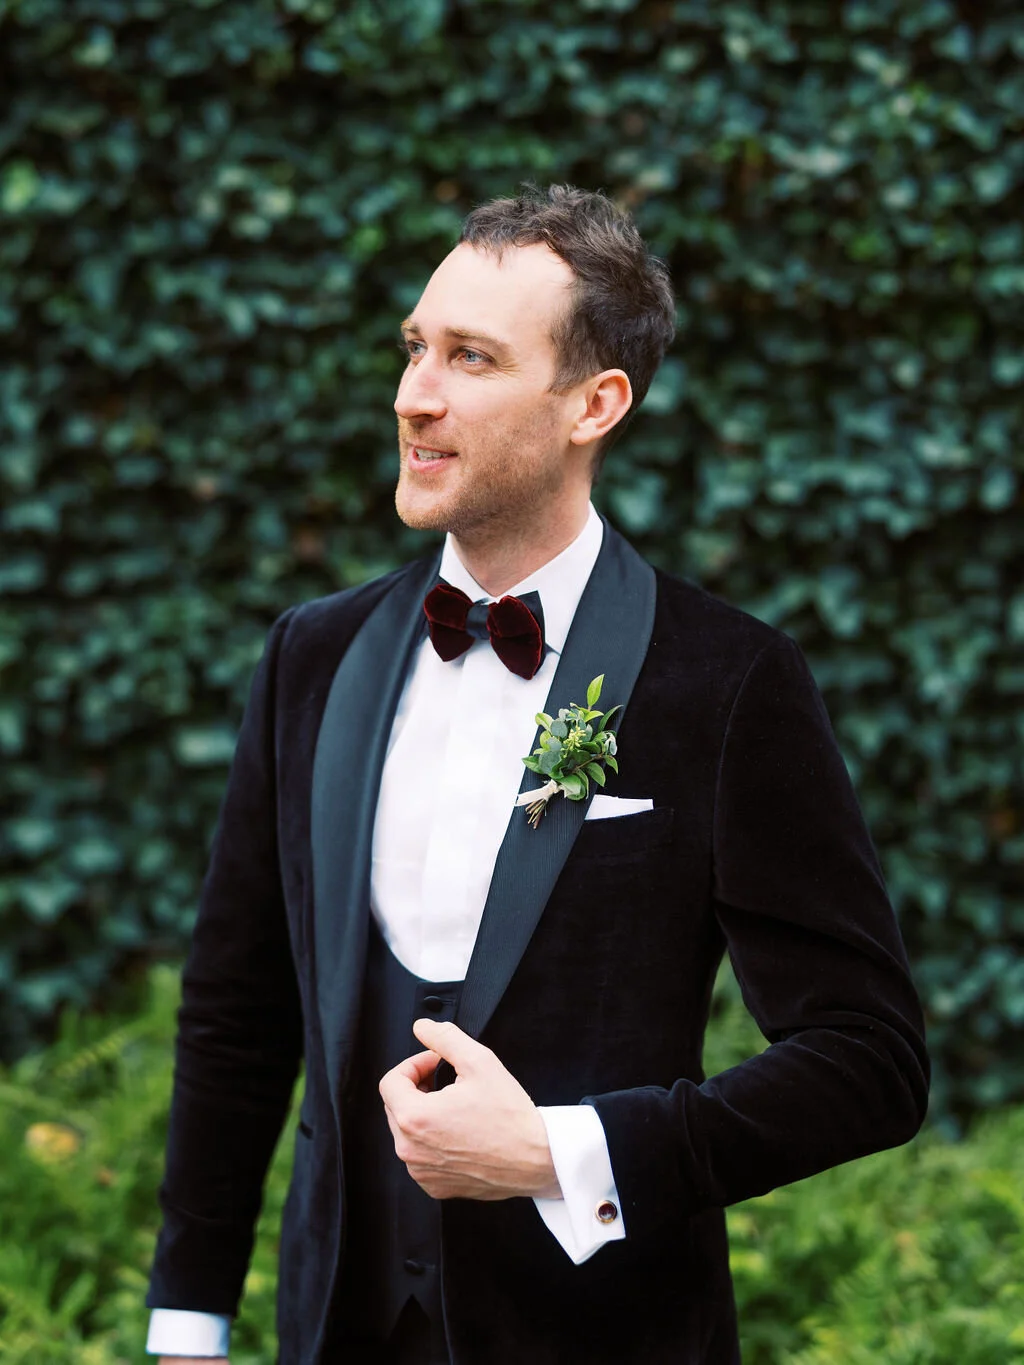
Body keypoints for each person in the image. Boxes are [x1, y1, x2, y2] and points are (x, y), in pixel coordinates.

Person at [145, 184, 929, 1365]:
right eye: (416, 347)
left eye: (471, 358)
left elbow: (868, 1062)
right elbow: (236, 1018)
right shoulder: (311, 654)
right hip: (336, 1330)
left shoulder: (728, 681)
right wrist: (189, 1323)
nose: (414, 394)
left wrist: (566, 1155)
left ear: (593, 404)